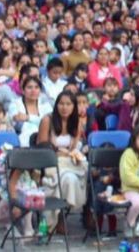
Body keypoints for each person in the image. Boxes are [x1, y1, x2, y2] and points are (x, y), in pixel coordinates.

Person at [36, 91, 87, 234]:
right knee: (66, 178)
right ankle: (57, 217)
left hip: (69, 162)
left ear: (73, 107)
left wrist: (74, 154)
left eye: (68, 104)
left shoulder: (77, 123)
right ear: (56, 105)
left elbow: (74, 148)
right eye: (61, 104)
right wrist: (59, 152)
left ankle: (63, 214)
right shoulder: (48, 120)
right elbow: (42, 147)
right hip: (51, 162)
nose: (64, 107)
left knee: (78, 174)